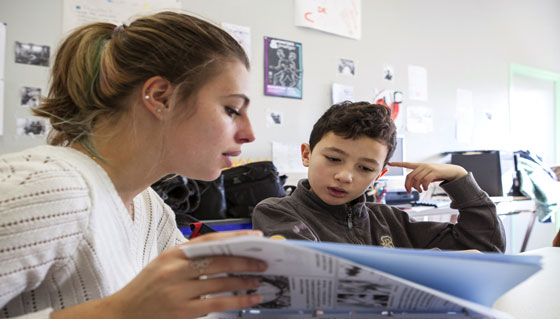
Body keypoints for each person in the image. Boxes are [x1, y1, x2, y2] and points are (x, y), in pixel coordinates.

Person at [0, 11, 269, 318]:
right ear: (160, 97)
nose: (249, 134)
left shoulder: (149, 207)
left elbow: (202, 301)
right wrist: (117, 312)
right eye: (232, 109)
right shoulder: (48, 190)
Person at [252, 101, 506, 252]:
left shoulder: (389, 221)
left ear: (380, 174)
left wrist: (460, 180)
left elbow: (486, 248)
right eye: (333, 159)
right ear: (306, 154)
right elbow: (314, 278)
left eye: (365, 168)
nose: (345, 176)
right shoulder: (276, 213)